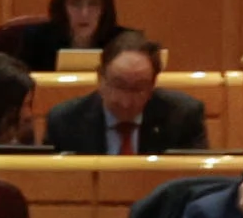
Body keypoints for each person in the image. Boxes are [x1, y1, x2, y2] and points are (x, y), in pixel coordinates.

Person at [41, 37, 212, 158]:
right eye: (118, 85)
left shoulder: (182, 117)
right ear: (100, 79)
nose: (126, 102)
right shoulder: (65, 121)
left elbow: (193, 185)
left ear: (153, 85)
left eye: (138, 89)